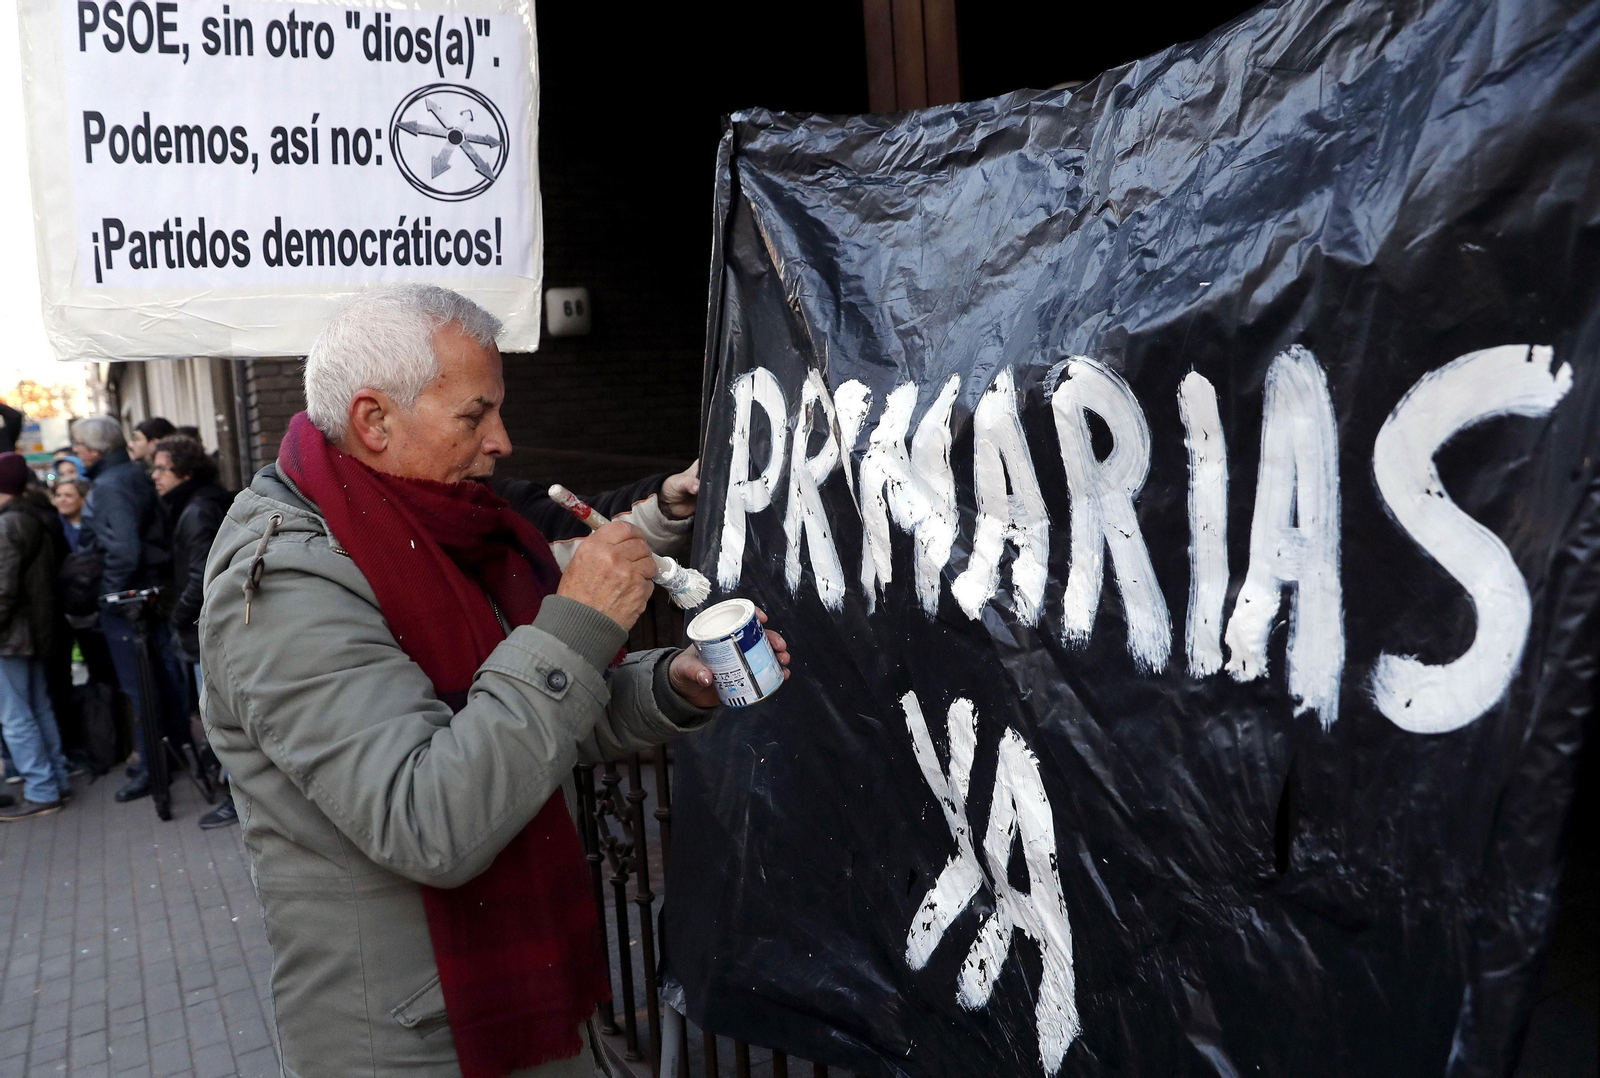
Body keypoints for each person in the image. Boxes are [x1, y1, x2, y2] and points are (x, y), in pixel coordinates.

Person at [200, 283, 790, 1078]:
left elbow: (529, 727)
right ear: (374, 421)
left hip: (519, 998)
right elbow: (431, 819)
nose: (502, 441)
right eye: (474, 416)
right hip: (417, 1039)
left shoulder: (433, 529)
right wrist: (575, 627)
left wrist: (671, 686)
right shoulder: (289, 588)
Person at [70, 414, 186, 801]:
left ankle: (155, 768)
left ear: (95, 450)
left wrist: (110, 595)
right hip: (146, 592)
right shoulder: (133, 474)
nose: (75, 453)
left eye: (78, 446)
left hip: (129, 601)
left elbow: (123, 549)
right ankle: (170, 753)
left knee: (140, 687)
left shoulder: (109, 485)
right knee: (158, 678)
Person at [152, 435, 235, 828]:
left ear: (184, 471)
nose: (154, 476)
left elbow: (202, 576)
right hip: (205, 626)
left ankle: (239, 797)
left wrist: (177, 616)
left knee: (221, 715)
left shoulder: (198, 509)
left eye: (162, 468)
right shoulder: (193, 504)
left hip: (206, 628)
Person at [0, 452, 73, 819]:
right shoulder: (33, 517)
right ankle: (55, 779)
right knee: (37, 708)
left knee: (15, 716)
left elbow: (2, 589)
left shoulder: (7, 525)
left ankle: (42, 789)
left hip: (11, 637)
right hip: (31, 632)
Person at [54, 478, 90, 551]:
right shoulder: (53, 526)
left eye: (68, 495)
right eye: (58, 495)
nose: (62, 500)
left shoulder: (96, 526)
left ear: (83, 499)